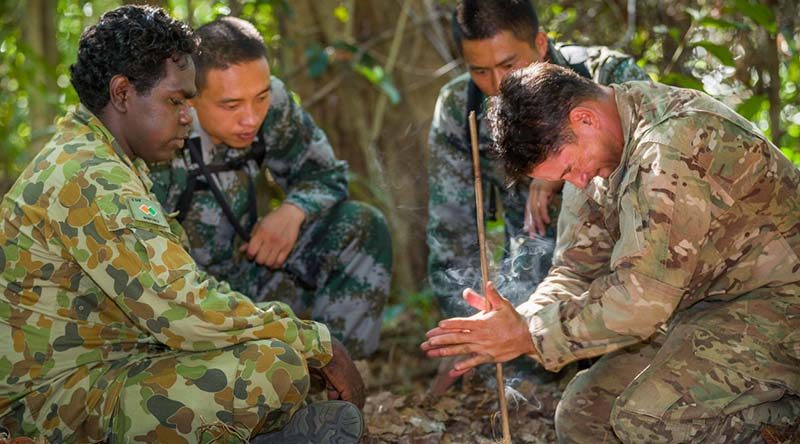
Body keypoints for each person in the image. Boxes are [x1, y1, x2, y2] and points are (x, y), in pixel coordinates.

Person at [0, 6, 365, 443]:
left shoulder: (99, 156)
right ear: (122, 94)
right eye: (176, 101)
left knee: (273, 360)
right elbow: (184, 308)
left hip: (111, 365)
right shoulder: (90, 177)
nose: (188, 117)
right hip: (47, 405)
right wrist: (318, 343)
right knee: (275, 367)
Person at [422, 62, 800, 442]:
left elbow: (642, 302)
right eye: (564, 178)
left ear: (584, 119)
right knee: (582, 416)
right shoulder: (596, 151)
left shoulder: (668, 149)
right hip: (702, 308)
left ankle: (787, 418)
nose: (578, 182)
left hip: (779, 304)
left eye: (571, 168)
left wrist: (530, 336)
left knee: (650, 420)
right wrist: (518, 320)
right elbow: (575, 271)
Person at [425, 0, 648, 394]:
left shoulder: (606, 76)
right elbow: (452, 226)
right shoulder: (463, 109)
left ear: (541, 44)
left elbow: (660, 184)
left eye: (509, 66)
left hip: (625, 258)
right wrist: (467, 335)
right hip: (538, 269)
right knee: (528, 381)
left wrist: (566, 167)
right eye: (480, 70)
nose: (496, 85)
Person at [148, 16, 392, 360]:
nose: (251, 118)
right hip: (185, 306)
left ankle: (336, 377)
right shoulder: (156, 134)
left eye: (260, 98)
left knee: (362, 226)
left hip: (254, 278)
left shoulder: (271, 102)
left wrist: (294, 210)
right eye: (231, 105)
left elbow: (326, 174)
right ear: (190, 97)